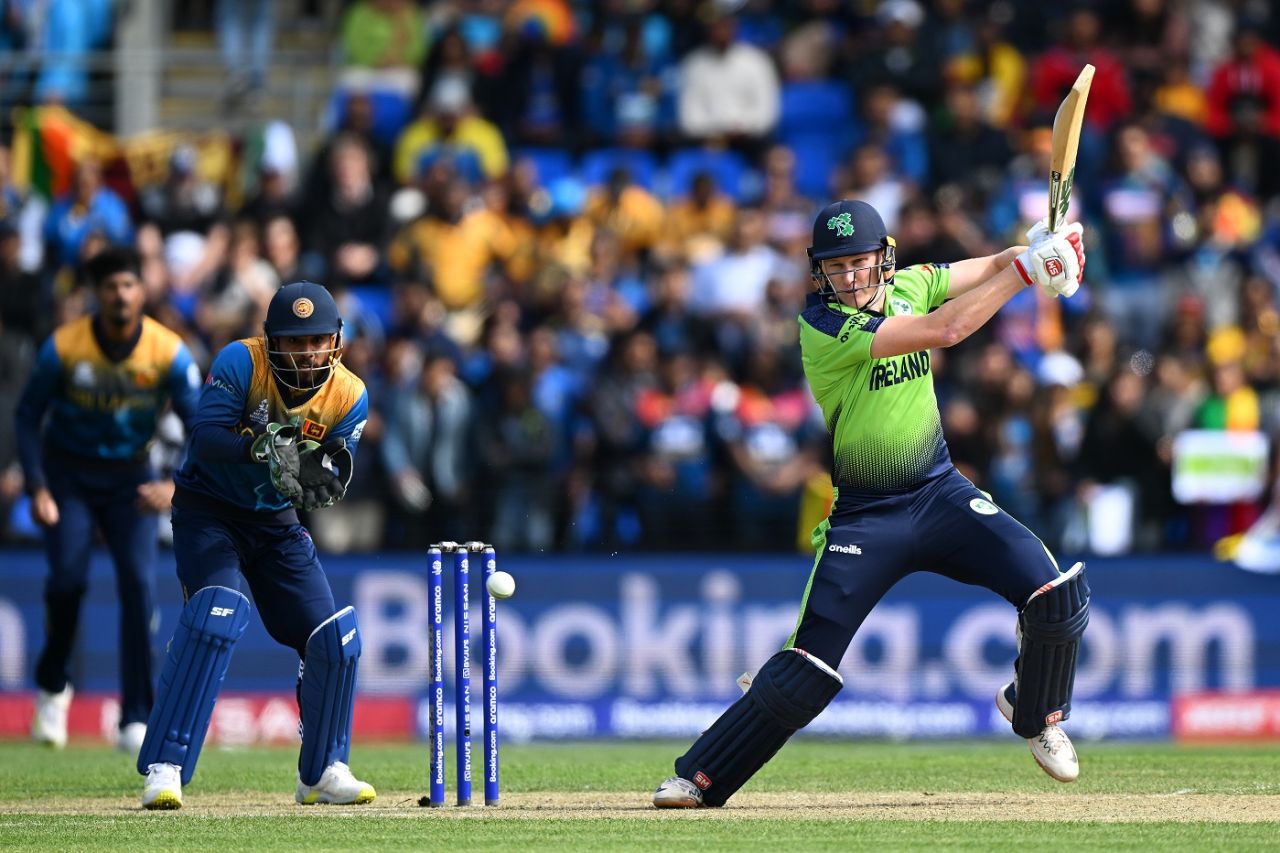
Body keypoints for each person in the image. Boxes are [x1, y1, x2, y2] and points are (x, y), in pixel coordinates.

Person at [652, 199, 1091, 808]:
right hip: (867, 517)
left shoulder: (911, 284)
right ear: (818, 274)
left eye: (861, 262)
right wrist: (1026, 273)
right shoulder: (822, 327)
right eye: (837, 268)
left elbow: (993, 262)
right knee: (805, 671)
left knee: (1056, 593)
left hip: (941, 494)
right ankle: (699, 778)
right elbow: (948, 330)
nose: (851, 279)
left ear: (884, 259)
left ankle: (1035, 709)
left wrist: (1046, 250)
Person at [135, 281, 373, 810]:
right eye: (295, 341)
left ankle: (323, 769)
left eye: (317, 341)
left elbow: (332, 464)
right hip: (209, 510)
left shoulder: (350, 395)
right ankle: (165, 766)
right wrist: (266, 447)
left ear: (335, 340)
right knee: (214, 614)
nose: (308, 352)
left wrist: (325, 474)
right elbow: (207, 437)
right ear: (272, 343)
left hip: (275, 521)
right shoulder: (241, 362)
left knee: (333, 638)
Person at [15, 246, 201, 754]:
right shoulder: (65, 347)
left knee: (140, 587)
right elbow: (27, 417)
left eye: (128, 285)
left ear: (142, 290)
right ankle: (54, 689)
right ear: (97, 294)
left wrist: (176, 484)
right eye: (110, 287)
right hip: (69, 476)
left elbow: (202, 428)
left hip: (132, 481)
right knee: (67, 581)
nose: (120, 295)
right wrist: (37, 486)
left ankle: (135, 716)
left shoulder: (166, 350)